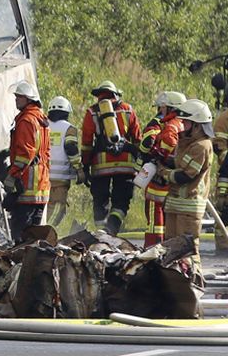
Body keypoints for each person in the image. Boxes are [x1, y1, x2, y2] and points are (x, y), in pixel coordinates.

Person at [80, 80, 141, 235]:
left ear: (99, 95)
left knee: (100, 200)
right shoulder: (127, 110)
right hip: (125, 166)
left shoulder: (92, 112)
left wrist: (85, 166)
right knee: (121, 200)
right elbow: (137, 138)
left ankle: (101, 234)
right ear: (115, 94)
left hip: (100, 166)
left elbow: (87, 143)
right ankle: (112, 227)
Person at [161, 98, 215, 272]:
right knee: (170, 245)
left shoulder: (202, 146)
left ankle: (193, 278)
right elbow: (178, 164)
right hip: (175, 204)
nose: (182, 126)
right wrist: (159, 160)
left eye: (186, 123)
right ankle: (172, 279)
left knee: (187, 248)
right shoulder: (187, 144)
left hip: (189, 206)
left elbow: (185, 175)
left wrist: (162, 172)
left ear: (198, 126)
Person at [4, 80, 51, 241]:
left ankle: (20, 264)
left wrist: (13, 175)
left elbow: (25, 153)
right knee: (35, 237)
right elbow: (46, 153)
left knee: (20, 236)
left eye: (19, 97)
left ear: (29, 99)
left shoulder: (26, 121)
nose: (16, 99)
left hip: (26, 187)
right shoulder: (41, 120)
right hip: (41, 187)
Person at [138, 91, 186, 247]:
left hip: (159, 181)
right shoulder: (185, 124)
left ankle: (152, 246)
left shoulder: (171, 125)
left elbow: (166, 142)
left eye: (162, 108)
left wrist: (159, 154)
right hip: (172, 179)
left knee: (154, 215)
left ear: (169, 108)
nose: (160, 111)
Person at [45, 96, 84, 228]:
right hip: (60, 178)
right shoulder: (69, 129)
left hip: (42, 177)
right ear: (67, 112)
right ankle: (46, 234)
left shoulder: (43, 126)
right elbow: (71, 148)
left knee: (43, 208)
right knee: (57, 209)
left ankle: (37, 234)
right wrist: (79, 169)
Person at [213, 106, 228, 252]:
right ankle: (222, 246)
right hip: (226, 172)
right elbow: (218, 145)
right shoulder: (225, 118)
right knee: (223, 211)